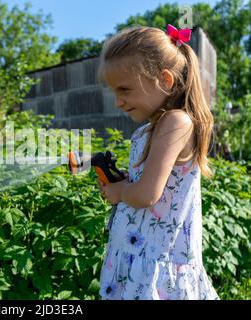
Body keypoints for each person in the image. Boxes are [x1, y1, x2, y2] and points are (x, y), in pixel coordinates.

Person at [96, 25, 220, 300]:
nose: (118, 102)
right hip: (137, 255)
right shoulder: (149, 129)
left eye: (125, 89)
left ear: (164, 80)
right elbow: (150, 187)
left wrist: (120, 192)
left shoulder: (176, 122)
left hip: (157, 264)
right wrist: (124, 184)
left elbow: (146, 195)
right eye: (114, 92)